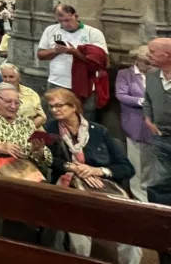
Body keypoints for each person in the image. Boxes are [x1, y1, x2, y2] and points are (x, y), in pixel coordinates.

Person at [44, 88, 141, 263]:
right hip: (70, 186)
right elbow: (48, 160)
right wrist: (73, 167)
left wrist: (98, 171)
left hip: (102, 186)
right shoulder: (50, 130)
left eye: (58, 105)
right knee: (79, 233)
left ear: (73, 107)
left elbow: (127, 168)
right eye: (51, 107)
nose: (54, 110)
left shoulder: (99, 131)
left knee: (130, 231)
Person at [37, 4, 108, 121]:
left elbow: (101, 62)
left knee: (84, 118)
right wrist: (56, 50)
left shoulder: (93, 33)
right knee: (56, 118)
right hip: (57, 82)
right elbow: (40, 55)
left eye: (67, 20)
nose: (64, 24)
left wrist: (75, 53)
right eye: (60, 21)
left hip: (85, 84)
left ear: (76, 16)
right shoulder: (51, 30)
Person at [0, 83, 52, 175]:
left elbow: (47, 159)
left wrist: (38, 152)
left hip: (21, 172)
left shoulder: (26, 122)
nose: (13, 106)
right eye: (8, 101)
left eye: (17, 102)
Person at [114, 45, 153, 202]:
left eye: (151, 62)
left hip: (154, 124)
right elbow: (121, 95)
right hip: (135, 122)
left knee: (151, 162)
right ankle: (139, 196)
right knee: (136, 162)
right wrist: (142, 101)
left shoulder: (156, 74)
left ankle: (150, 193)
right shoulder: (125, 74)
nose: (149, 66)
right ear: (136, 60)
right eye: (145, 62)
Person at [144, 38, 171, 202]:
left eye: (153, 52)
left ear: (167, 55)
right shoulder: (152, 75)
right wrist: (148, 119)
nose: (148, 55)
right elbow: (147, 98)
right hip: (160, 138)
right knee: (159, 181)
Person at [0, 63, 46, 129]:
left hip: (32, 129)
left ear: (19, 78)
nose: (7, 80)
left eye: (11, 77)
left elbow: (42, 117)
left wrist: (26, 129)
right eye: (4, 77)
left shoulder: (30, 93)